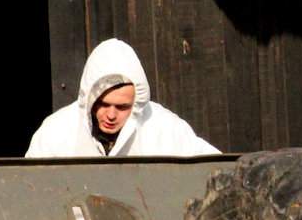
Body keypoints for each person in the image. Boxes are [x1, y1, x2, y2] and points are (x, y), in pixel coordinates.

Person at [26, 38, 218, 158]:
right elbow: (30, 188)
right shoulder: (56, 132)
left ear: (136, 103)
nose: (111, 115)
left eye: (122, 107)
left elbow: (211, 169)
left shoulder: (164, 129)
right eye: (103, 104)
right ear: (89, 99)